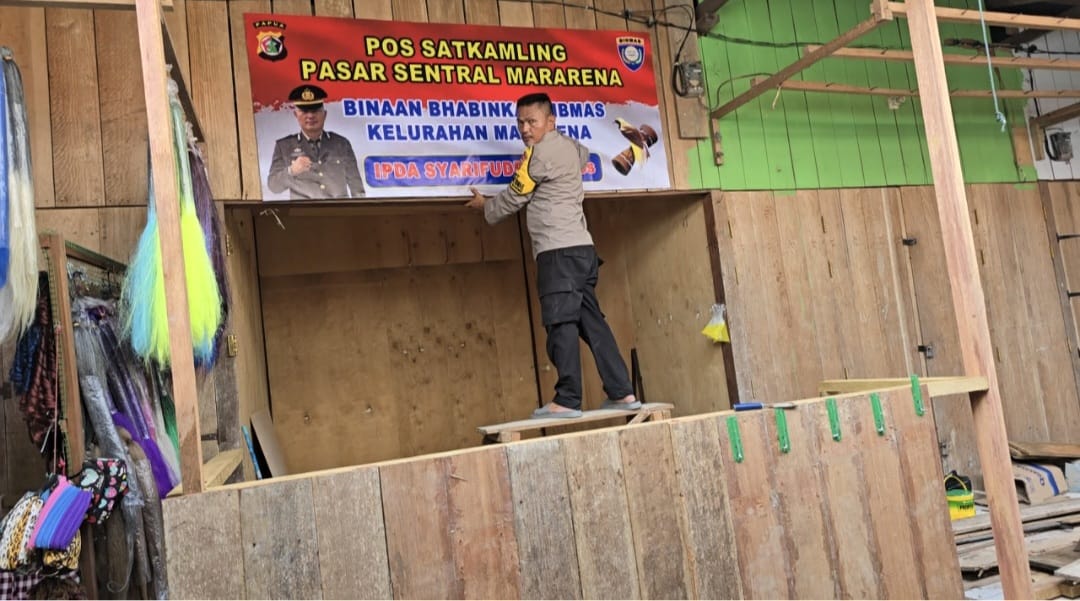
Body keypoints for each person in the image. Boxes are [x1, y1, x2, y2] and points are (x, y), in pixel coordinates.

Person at [466, 92, 637, 419]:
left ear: (550, 122)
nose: (525, 129)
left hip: (557, 254)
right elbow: (583, 154)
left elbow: (516, 196)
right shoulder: (571, 147)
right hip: (582, 251)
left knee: (561, 324)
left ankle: (568, 399)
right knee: (593, 325)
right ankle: (622, 392)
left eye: (532, 121)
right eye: (520, 122)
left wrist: (485, 206)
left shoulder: (537, 156)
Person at [267, 84, 364, 199]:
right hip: (303, 214)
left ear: (325, 114)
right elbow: (273, 186)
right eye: (304, 111)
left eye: (315, 111)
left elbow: (357, 187)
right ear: (296, 115)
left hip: (339, 212)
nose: (310, 116)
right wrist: (291, 171)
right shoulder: (284, 146)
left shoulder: (341, 144)